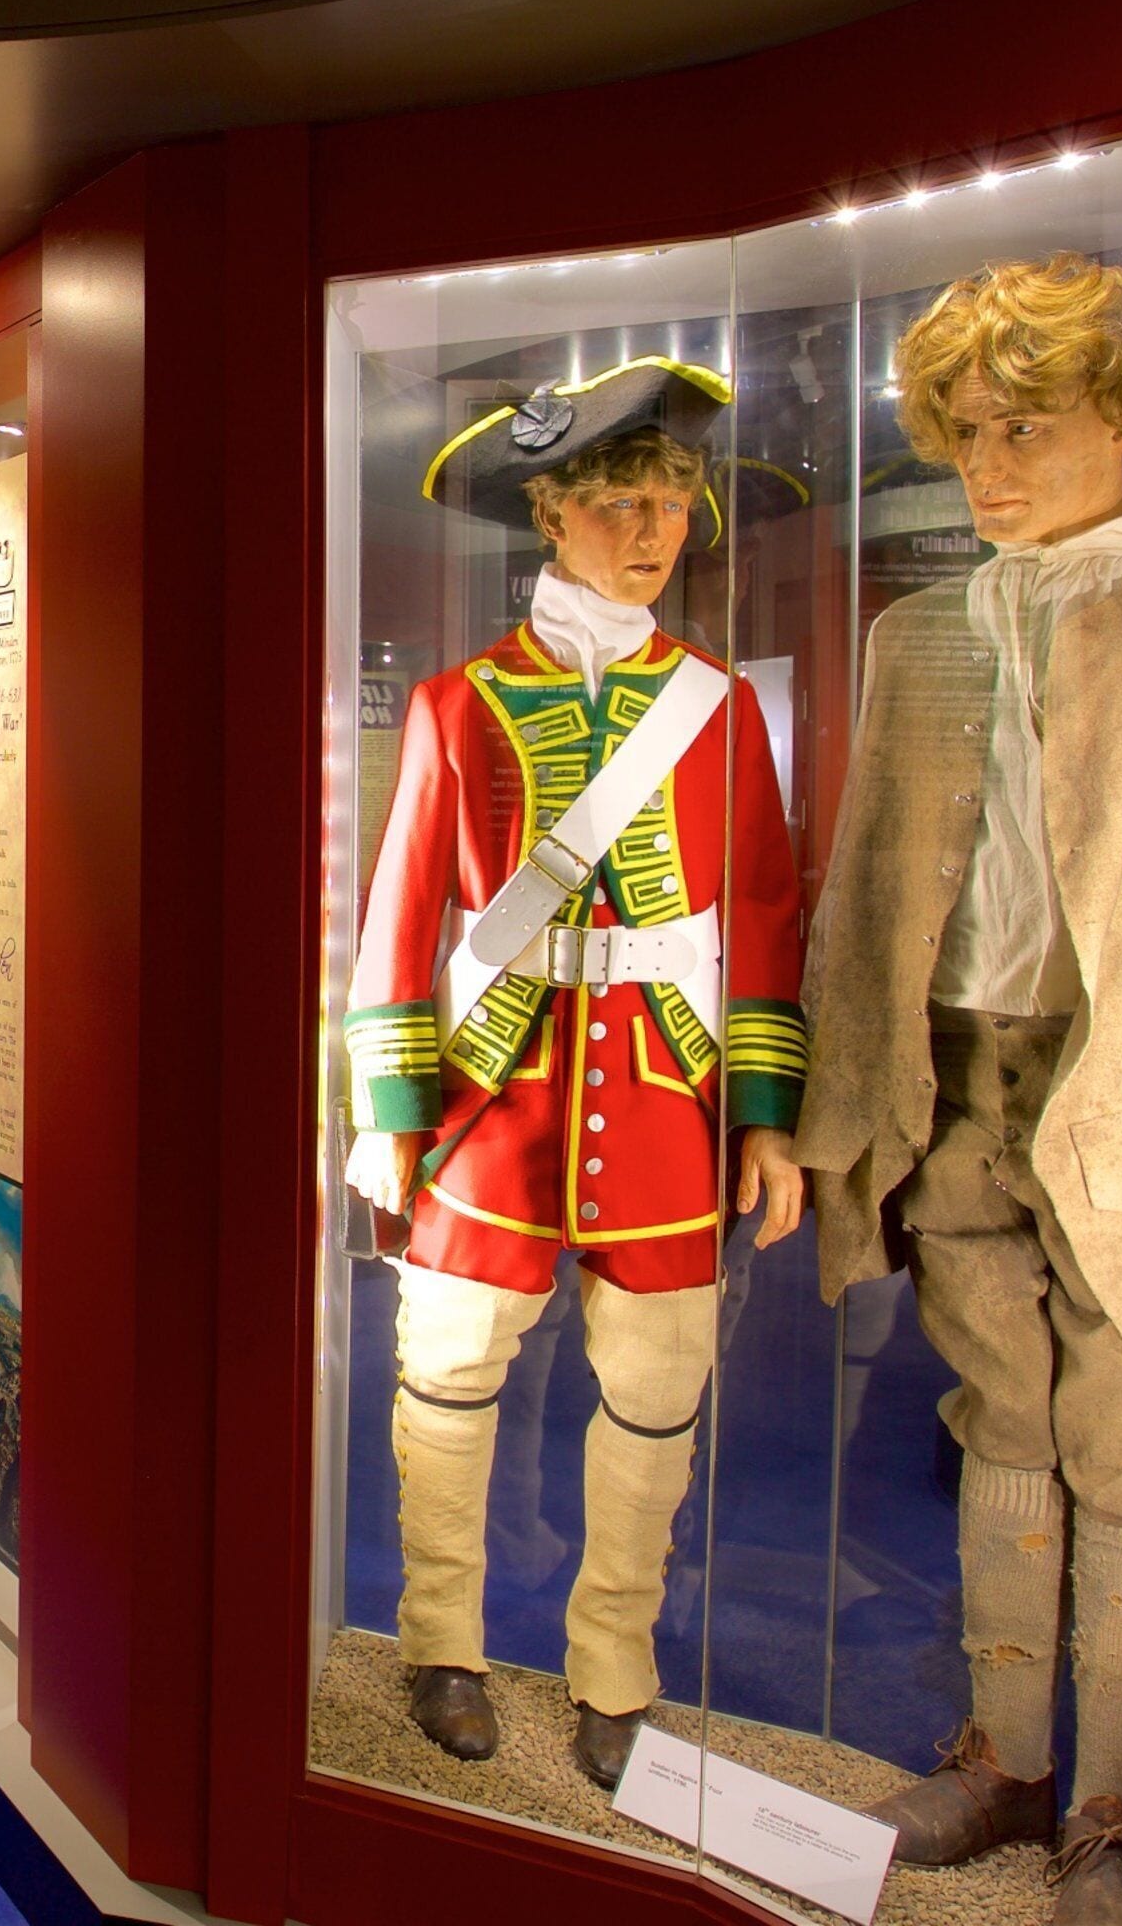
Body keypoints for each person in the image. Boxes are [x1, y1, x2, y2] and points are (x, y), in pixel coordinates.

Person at [345, 357, 807, 1789]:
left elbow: (770, 915)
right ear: (547, 513)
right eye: (614, 501)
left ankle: (616, 1663)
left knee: (658, 1396)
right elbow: (399, 919)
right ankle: (443, 1641)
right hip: (495, 1101)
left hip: (664, 1101)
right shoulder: (456, 704)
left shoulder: (719, 709)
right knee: (448, 1380)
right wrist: (387, 1117)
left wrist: (769, 1122)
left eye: (671, 500)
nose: (651, 529)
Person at [783, 253, 1122, 1922]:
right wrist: (828, 1112)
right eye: (964, 439)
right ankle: (1008, 1752)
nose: (994, 465)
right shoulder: (917, 637)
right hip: (950, 1067)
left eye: (1028, 426)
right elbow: (865, 886)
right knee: (999, 1411)